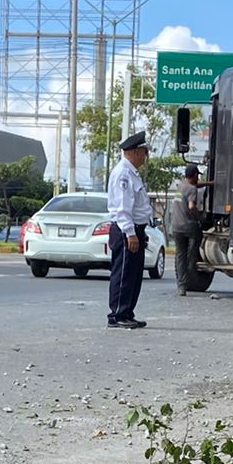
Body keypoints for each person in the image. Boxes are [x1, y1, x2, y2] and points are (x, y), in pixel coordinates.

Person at [105, 129, 153, 329]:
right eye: (143, 151)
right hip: (126, 231)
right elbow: (123, 208)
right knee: (124, 274)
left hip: (135, 230)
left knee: (133, 275)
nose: (146, 156)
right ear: (133, 152)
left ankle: (127, 312)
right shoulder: (123, 174)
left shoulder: (132, 174)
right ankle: (117, 314)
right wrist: (131, 233)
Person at [169, 163, 205, 296]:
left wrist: (209, 184)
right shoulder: (192, 190)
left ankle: (181, 286)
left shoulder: (180, 187)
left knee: (180, 256)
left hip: (176, 227)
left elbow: (193, 186)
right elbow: (191, 206)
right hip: (190, 226)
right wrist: (200, 216)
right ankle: (193, 268)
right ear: (195, 175)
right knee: (192, 254)